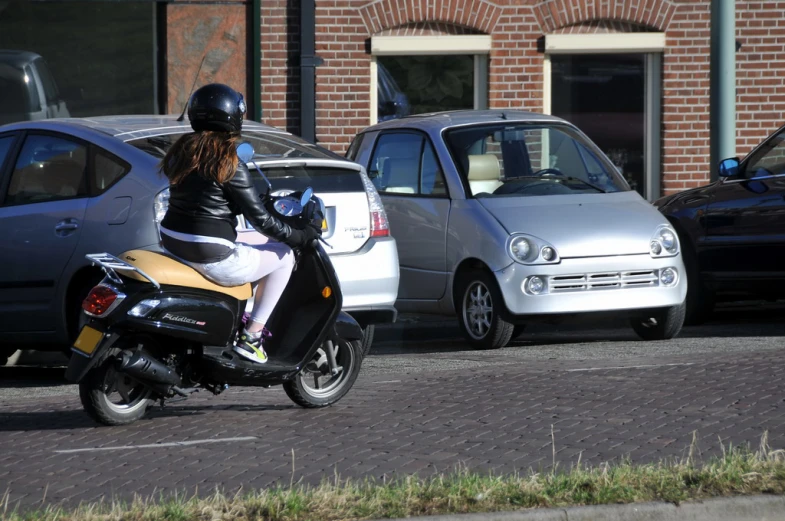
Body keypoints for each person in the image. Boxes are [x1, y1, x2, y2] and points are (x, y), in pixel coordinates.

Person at [158, 83, 320, 364]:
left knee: (248, 237)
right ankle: (252, 336)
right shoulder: (227, 160)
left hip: (174, 241)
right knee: (282, 255)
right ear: (233, 117)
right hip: (208, 251)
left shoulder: (183, 151)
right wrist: (299, 237)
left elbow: (208, 197)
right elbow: (261, 220)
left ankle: (238, 314)